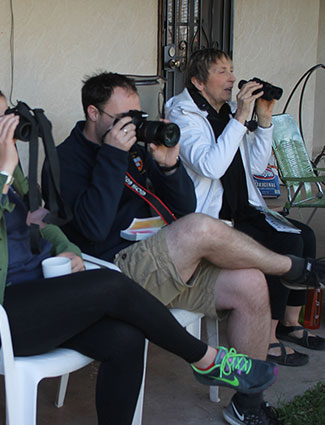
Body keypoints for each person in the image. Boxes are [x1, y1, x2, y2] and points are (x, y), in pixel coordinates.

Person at [0, 81, 279, 425]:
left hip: (37, 293)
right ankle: (204, 358)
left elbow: (40, 220)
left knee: (126, 337)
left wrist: (68, 250)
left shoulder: (3, 169)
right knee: (109, 283)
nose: (2, 134)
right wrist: (5, 168)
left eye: (6, 120)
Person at [51, 71, 324, 425]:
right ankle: (292, 269)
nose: (132, 126)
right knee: (198, 229)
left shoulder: (136, 147)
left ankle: (249, 404)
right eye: (122, 119)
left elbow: (183, 208)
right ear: (93, 113)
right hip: (114, 274)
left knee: (252, 284)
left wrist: (169, 166)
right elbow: (92, 229)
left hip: (165, 262)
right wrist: (112, 158)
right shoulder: (65, 160)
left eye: (137, 117)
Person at [166, 48, 324, 370]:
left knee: (305, 236)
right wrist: (240, 117)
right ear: (198, 81)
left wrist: (263, 119)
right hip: (212, 219)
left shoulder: (224, 112)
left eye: (232, 69)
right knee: (288, 244)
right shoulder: (183, 116)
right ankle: (268, 339)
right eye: (222, 71)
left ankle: (290, 324)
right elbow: (210, 166)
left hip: (244, 208)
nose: (233, 78)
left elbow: (255, 164)